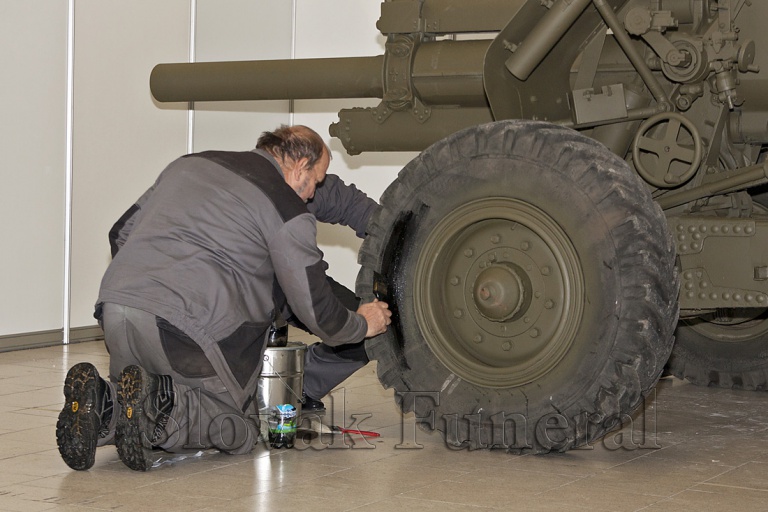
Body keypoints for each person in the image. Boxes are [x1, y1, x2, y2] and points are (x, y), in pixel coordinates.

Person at [55, 125, 391, 471]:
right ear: (300, 167)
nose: (312, 194)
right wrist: (362, 324)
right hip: (188, 333)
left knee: (147, 397)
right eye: (316, 181)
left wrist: (150, 289)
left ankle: (104, 403)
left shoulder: (189, 165)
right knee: (238, 429)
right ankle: (158, 406)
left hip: (117, 310)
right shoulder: (287, 207)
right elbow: (318, 311)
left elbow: (120, 232)